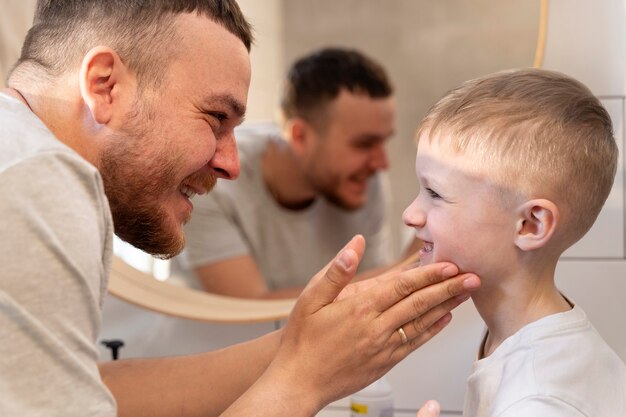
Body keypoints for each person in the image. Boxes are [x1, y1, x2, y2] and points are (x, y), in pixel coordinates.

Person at [0, 1, 481, 416]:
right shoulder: (39, 178)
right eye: (215, 118)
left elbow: (98, 390)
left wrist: (300, 349)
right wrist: (303, 381)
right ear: (105, 85)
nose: (231, 164)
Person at [403, 68, 626, 417]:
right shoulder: (521, 342)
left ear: (530, 224)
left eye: (434, 193)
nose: (411, 214)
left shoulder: (539, 401)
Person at [177, 46, 421, 299]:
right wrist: (408, 266)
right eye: (364, 144)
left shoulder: (364, 179)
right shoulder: (213, 179)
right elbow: (249, 310)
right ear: (300, 136)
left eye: (383, 141)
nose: (382, 163)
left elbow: (370, 292)